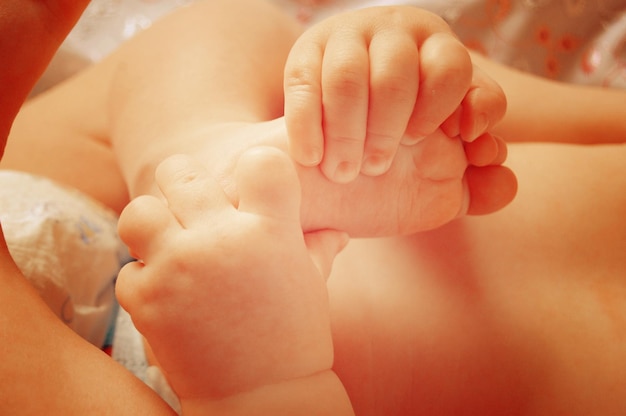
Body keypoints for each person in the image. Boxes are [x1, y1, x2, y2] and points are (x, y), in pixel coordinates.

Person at [1, 1, 625, 415]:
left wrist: (266, 382)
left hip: (199, 386)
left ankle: (211, 187)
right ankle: (199, 155)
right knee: (221, 30)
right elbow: (489, 125)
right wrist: (396, 85)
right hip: (96, 189)